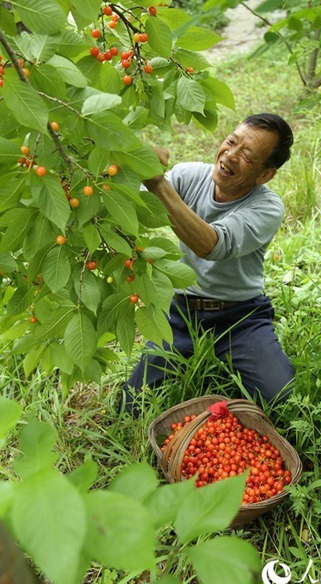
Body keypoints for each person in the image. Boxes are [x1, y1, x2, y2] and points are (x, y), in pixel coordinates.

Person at [121, 113, 295, 415]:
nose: (230, 155)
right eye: (231, 142)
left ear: (265, 175)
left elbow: (211, 245)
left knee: (281, 397)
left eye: (248, 156)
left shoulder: (267, 207)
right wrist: (130, 156)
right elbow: (129, 202)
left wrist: (158, 183)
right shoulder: (188, 176)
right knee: (131, 405)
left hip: (241, 317)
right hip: (182, 314)